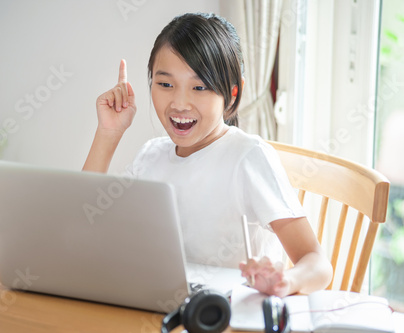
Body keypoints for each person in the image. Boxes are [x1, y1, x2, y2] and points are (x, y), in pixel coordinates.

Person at [82, 12, 332, 297]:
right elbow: (86, 223)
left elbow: (317, 263)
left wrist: (285, 282)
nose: (179, 102)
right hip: (158, 308)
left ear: (232, 94)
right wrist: (109, 132)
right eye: (165, 84)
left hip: (224, 318)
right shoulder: (151, 155)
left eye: (199, 87)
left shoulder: (248, 157)